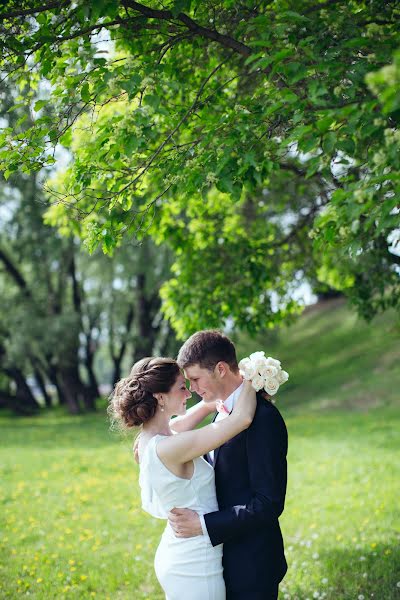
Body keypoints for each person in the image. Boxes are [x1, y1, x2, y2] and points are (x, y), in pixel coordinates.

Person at [108, 356, 257, 600]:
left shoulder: (156, 436)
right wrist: (255, 376)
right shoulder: (170, 447)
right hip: (195, 565)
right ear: (160, 397)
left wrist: (226, 381)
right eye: (181, 387)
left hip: (181, 552)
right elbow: (241, 420)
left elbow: (208, 406)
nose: (189, 393)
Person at [168, 330, 288, 600]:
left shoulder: (263, 419)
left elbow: (268, 503)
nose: (193, 389)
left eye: (196, 379)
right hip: (221, 559)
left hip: (252, 565)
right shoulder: (224, 412)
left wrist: (202, 524)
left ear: (220, 369)